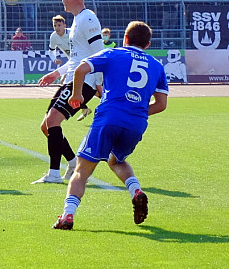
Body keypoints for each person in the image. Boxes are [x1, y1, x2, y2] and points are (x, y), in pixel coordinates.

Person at [52, 21, 168, 230]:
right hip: (136, 124)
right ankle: (136, 191)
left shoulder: (113, 54)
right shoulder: (157, 66)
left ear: (125, 39)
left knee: (82, 171)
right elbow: (161, 104)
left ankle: (67, 216)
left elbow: (81, 69)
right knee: (116, 160)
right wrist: (136, 111)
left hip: (109, 117)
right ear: (148, 44)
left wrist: (77, 95)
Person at [35, 0, 105, 184]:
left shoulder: (88, 18)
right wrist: (56, 73)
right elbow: (76, 57)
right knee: (46, 126)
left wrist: (99, 84)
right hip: (72, 79)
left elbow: (99, 54)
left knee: (53, 121)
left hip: (84, 82)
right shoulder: (77, 20)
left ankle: (54, 174)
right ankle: (73, 163)